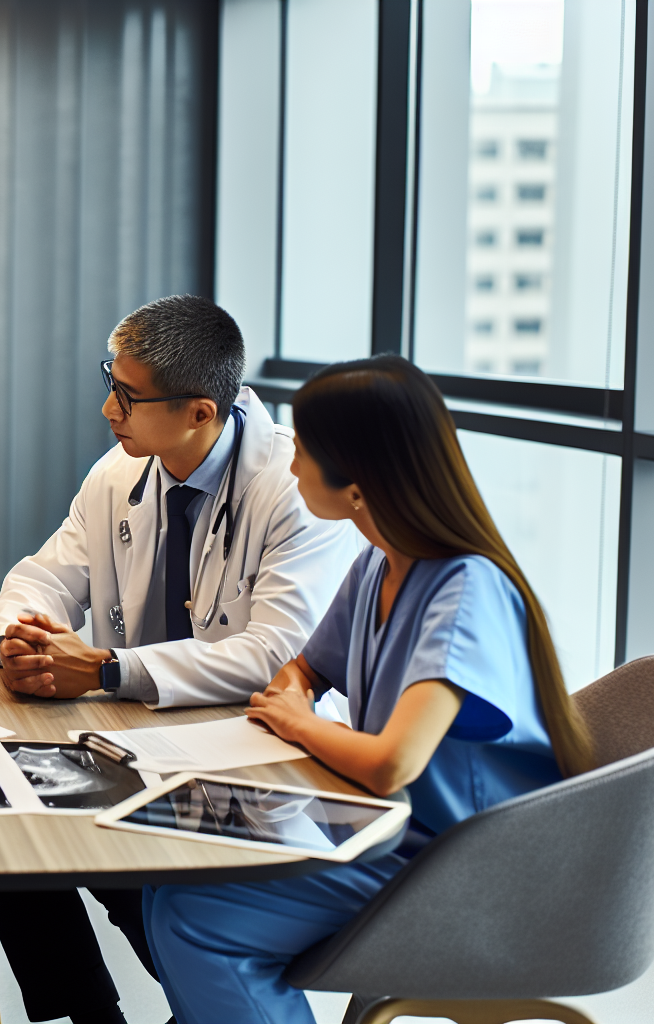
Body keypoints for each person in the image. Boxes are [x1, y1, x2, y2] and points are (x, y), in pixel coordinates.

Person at [144, 354, 594, 1022]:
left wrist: (298, 723)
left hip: (465, 868)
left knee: (193, 917)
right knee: (167, 886)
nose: (289, 462)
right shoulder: (380, 564)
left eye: (306, 449)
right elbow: (302, 670)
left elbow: (391, 764)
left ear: (357, 482)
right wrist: (297, 695)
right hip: (389, 834)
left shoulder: (464, 593)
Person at [0, 295, 362, 1024]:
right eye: (110, 382)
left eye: (126, 395)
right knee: (0, 819)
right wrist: (26, 635)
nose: (107, 409)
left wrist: (107, 669)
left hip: (256, 767)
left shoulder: (293, 488)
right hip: (142, 738)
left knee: (146, 885)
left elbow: (275, 654)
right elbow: (45, 576)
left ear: (199, 413)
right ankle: (90, 1014)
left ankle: (210, 998)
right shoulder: (119, 474)